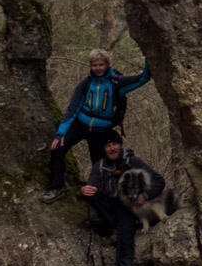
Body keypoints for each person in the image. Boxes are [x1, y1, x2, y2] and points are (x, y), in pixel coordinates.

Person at [44, 49, 151, 204]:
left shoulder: (117, 83)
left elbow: (143, 78)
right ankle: (56, 187)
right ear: (90, 66)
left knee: (100, 163)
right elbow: (72, 109)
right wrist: (60, 134)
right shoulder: (85, 84)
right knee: (58, 148)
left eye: (101, 65)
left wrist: (149, 55)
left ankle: (100, 196)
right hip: (81, 124)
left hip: (101, 129)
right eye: (94, 65)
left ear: (107, 65)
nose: (98, 68)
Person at [82, 134, 153, 266]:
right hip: (110, 208)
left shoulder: (133, 162)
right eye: (108, 146)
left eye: (114, 144)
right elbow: (91, 185)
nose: (112, 148)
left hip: (129, 207)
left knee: (125, 242)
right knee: (92, 194)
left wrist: (145, 196)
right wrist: (84, 190)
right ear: (104, 149)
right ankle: (113, 225)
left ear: (120, 145)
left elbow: (157, 180)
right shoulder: (99, 166)